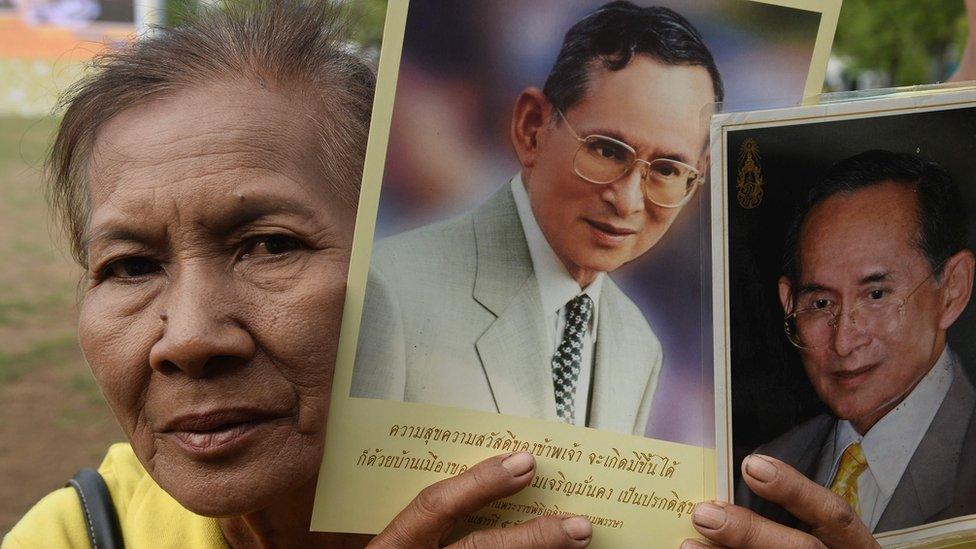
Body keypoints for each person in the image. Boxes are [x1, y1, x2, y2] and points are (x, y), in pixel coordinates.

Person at [2, 2, 594, 547]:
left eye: (268, 246)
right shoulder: (73, 537)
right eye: (131, 266)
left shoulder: (570, 515)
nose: (188, 339)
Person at [351, 0, 723, 436]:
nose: (627, 201)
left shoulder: (643, 341)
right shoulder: (389, 287)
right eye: (605, 150)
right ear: (532, 129)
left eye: (666, 171)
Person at [737, 151, 976, 533]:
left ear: (952, 290)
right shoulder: (767, 472)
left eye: (876, 295)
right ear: (789, 303)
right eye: (820, 303)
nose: (844, 343)